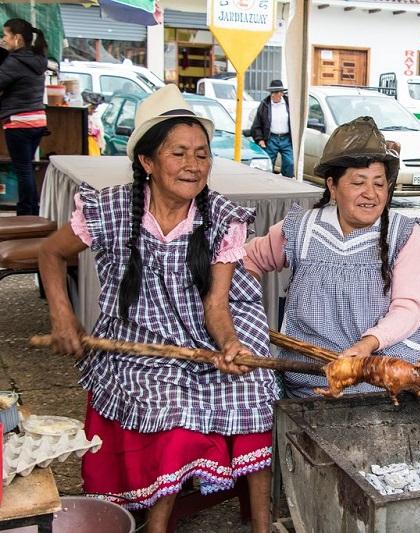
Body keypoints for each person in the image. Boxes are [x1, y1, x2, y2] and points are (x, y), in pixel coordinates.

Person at [38, 85, 280, 532]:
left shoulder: (222, 217)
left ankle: (254, 524)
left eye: (203, 154)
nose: (193, 165)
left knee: (255, 386)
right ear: (147, 162)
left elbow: (217, 306)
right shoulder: (109, 207)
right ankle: (156, 521)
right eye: (179, 153)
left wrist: (228, 346)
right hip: (134, 337)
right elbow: (50, 254)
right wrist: (62, 314)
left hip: (202, 333)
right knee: (171, 404)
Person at [244, 116, 420, 398]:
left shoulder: (404, 234)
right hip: (312, 375)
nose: (371, 194)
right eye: (358, 183)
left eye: (379, 184)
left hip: (382, 373)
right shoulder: (303, 228)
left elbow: (409, 308)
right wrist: (246, 318)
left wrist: (367, 345)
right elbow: (246, 259)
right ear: (332, 186)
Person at [0, 18, 48, 216]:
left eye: (6, 35)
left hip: (18, 122)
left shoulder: (14, 62)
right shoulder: (38, 59)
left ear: (17, 38)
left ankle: (27, 213)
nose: (3, 39)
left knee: (23, 170)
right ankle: (32, 210)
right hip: (38, 121)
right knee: (26, 168)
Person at [250, 79, 294, 177]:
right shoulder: (265, 104)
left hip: (286, 139)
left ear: (282, 93)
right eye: (272, 92)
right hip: (271, 139)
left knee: (290, 163)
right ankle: (268, 184)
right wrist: (260, 139)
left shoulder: (289, 104)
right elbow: (257, 124)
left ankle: (288, 183)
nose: (273, 95)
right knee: (268, 163)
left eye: (276, 92)